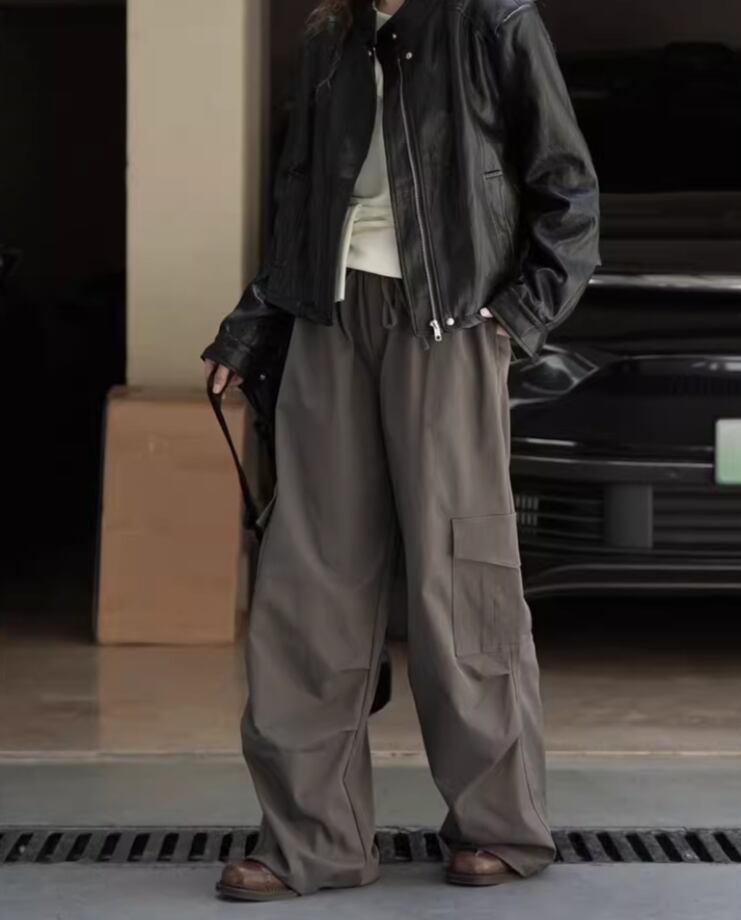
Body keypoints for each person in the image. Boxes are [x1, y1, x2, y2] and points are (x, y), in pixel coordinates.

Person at [202, 0, 600, 902]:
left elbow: (567, 188)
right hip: (329, 320)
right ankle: (315, 841)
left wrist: (516, 316)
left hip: (449, 322)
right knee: (308, 579)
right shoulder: (330, 36)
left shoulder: (492, 18)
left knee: (461, 573)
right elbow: (299, 200)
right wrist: (251, 327)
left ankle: (499, 825)